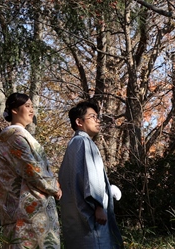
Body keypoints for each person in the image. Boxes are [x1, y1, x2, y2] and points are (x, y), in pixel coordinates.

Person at [0, 93, 62, 249]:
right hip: (27, 209)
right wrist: (53, 186)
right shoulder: (16, 137)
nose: (32, 110)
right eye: (27, 106)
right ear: (14, 110)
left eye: (32, 106)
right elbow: (32, 169)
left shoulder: (11, 138)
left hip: (16, 207)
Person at [58, 100, 122, 249]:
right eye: (92, 116)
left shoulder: (73, 144)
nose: (97, 120)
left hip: (76, 217)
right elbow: (92, 178)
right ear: (79, 122)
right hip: (91, 216)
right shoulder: (84, 142)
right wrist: (99, 205)